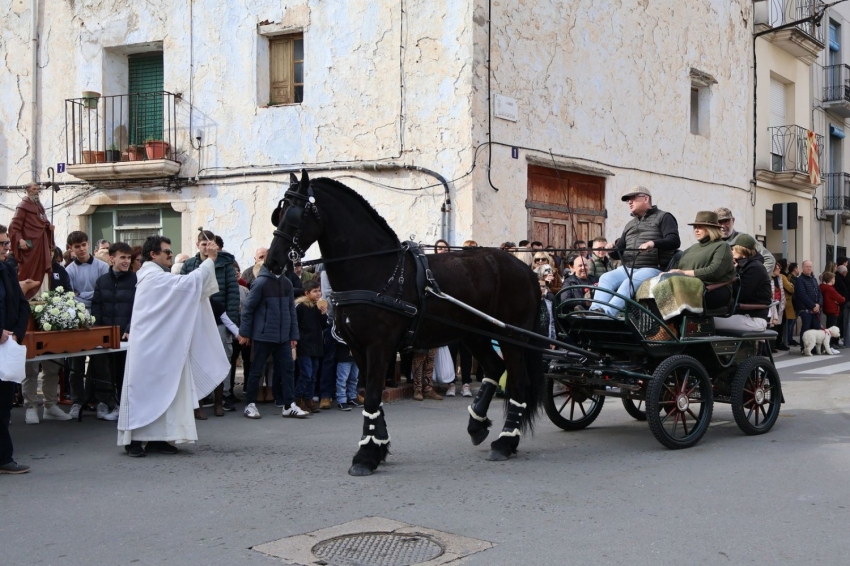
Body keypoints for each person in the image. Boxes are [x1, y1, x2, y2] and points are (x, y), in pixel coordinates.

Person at [118, 236, 230, 457]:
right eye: (166, 251)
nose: (170, 255)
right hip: (148, 350)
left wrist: (207, 261)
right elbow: (188, 285)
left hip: (163, 347)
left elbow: (187, 289)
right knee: (143, 392)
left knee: (167, 390)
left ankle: (158, 439)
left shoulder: (159, 276)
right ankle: (134, 440)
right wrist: (209, 260)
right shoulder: (151, 277)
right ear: (153, 254)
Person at [592, 186, 680, 316]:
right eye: (628, 200)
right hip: (628, 267)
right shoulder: (630, 225)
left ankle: (607, 313)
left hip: (652, 268)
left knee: (629, 282)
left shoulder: (664, 217)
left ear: (646, 198)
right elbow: (619, 254)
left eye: (633, 198)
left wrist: (653, 243)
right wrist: (611, 250)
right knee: (606, 278)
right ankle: (594, 311)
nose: (629, 202)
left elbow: (674, 241)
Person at [237, 259, 307, 420]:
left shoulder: (287, 284)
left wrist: (293, 335)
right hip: (263, 335)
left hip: (283, 337)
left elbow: (291, 311)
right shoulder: (260, 283)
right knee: (256, 370)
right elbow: (248, 309)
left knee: (288, 369)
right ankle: (250, 404)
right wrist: (245, 333)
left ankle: (289, 405)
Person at [65, 230, 110, 419]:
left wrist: (82, 295)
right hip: (77, 322)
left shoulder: (102, 267)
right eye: (77, 246)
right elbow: (69, 298)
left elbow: (102, 294)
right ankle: (77, 401)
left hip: (98, 319)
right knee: (76, 363)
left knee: (100, 362)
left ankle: (102, 401)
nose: (81, 249)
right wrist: (85, 297)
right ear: (71, 249)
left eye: (84, 245)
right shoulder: (69, 270)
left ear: (88, 244)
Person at [89, 242, 136, 421]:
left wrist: (130, 328)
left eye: (129, 258)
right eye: (122, 257)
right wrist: (97, 332)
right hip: (106, 335)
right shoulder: (102, 281)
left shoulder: (135, 280)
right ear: (112, 259)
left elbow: (139, 308)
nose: (126, 261)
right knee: (102, 370)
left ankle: (122, 405)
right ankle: (104, 402)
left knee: (124, 372)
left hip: (126, 336)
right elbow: (97, 308)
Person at [0, 224, 33, 473]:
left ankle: (4, 458)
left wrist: (16, 334)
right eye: (2, 244)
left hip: (6, 346)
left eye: (7, 244)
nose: (7, 248)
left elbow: (23, 305)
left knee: (3, 405)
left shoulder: (8, 270)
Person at [667, 211, 735, 309]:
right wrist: (666, 274)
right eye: (695, 227)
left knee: (674, 292)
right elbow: (677, 267)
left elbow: (714, 271)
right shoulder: (691, 249)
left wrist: (684, 273)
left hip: (713, 290)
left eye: (700, 227)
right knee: (651, 288)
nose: (696, 230)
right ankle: (659, 323)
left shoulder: (722, 246)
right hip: (688, 287)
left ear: (711, 229)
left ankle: (668, 323)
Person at [713, 235, 772, 333]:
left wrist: (731, 272)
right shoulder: (745, 265)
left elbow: (740, 293)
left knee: (708, 322)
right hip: (744, 314)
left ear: (741, 251)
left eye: (733, 249)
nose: (731, 252)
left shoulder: (755, 268)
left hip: (753, 318)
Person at [8, 183, 54, 299]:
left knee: (43, 270)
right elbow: (13, 227)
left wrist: (49, 227)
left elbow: (43, 222)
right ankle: (27, 297)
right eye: (34, 189)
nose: (37, 191)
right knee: (28, 271)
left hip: (41, 245)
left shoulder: (40, 206)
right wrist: (19, 239)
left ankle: (41, 296)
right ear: (27, 190)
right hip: (30, 247)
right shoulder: (23, 206)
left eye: (38, 189)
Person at [294, 280, 330, 412]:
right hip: (304, 345)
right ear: (306, 293)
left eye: (319, 290)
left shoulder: (318, 307)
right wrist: (295, 341)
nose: (318, 293)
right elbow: (295, 324)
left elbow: (325, 325)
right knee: (306, 374)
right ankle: (299, 398)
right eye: (315, 291)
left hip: (317, 345)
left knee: (314, 375)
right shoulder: (301, 306)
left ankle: (309, 398)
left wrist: (323, 313)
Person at [715, 207, 775, 274]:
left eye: (726, 221)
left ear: (733, 220)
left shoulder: (744, 239)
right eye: (719, 222)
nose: (723, 226)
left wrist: (758, 278)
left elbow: (769, 259)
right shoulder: (711, 242)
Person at [793, 260, 823, 352]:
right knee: (806, 329)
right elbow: (802, 295)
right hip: (805, 309)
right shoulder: (799, 280)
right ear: (803, 268)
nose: (809, 268)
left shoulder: (814, 279)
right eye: (807, 266)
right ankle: (804, 348)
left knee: (817, 328)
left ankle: (815, 348)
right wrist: (813, 306)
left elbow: (819, 293)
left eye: (810, 266)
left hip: (815, 309)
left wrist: (818, 304)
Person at [334, 341, 362, 411]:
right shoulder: (340, 329)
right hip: (344, 355)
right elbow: (335, 334)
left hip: (356, 355)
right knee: (342, 379)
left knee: (354, 378)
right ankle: (341, 400)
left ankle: (352, 397)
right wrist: (351, 343)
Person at [820, 272, 844, 351]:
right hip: (832, 309)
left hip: (827, 309)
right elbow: (841, 299)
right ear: (830, 279)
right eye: (833, 279)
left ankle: (827, 346)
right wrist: (836, 301)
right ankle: (829, 346)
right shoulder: (830, 289)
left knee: (828, 328)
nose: (834, 280)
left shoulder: (822, 287)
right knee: (831, 329)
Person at [769, 262, 789, 351]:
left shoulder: (780, 278)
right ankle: (769, 346)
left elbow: (781, 290)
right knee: (771, 325)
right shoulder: (769, 278)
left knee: (777, 325)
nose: (779, 270)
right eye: (778, 268)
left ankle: (774, 345)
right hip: (771, 304)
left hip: (779, 304)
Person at [778, 259, 796, 347]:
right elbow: (790, 288)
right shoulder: (783, 276)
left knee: (784, 323)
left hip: (785, 302)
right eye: (787, 264)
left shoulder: (785, 276)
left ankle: (780, 341)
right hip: (785, 302)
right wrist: (792, 285)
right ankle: (780, 342)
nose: (788, 266)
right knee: (782, 323)